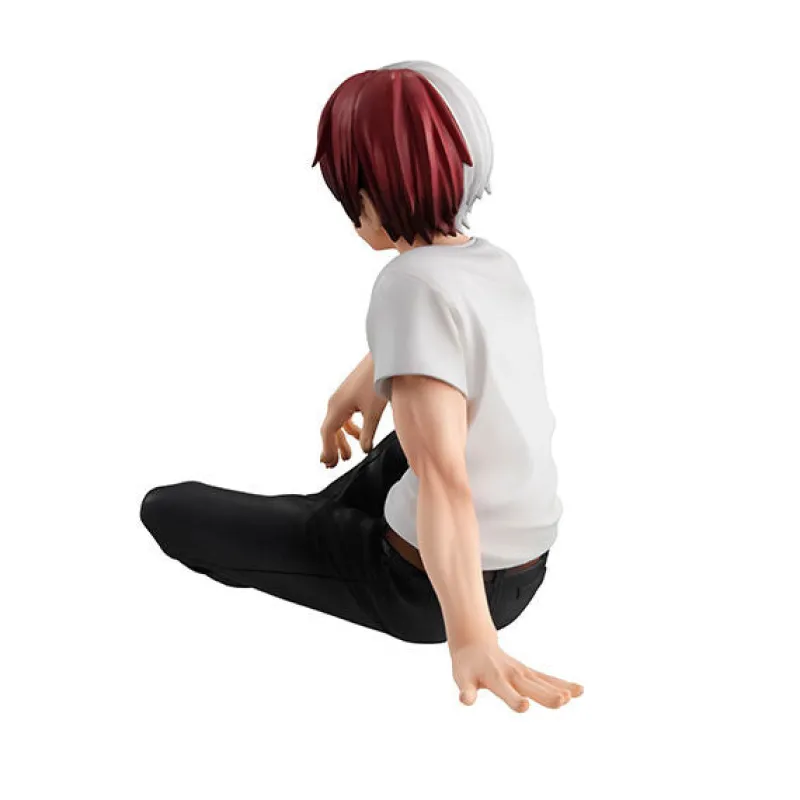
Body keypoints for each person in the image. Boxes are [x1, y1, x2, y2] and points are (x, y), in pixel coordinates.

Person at [140, 61, 583, 713]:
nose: (351, 208)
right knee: (419, 440)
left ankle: (317, 534)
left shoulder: (407, 284)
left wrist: (471, 639)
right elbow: (455, 348)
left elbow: (446, 481)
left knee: (170, 508)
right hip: (527, 561)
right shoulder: (491, 262)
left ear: (380, 187)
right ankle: (323, 517)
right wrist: (363, 384)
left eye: (354, 189)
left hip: (425, 588)